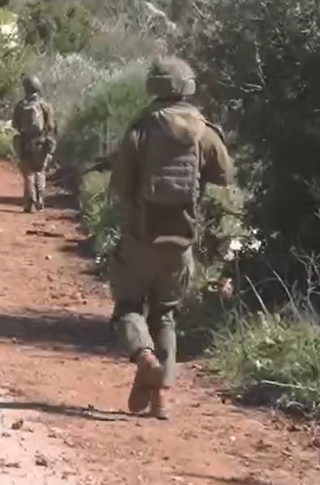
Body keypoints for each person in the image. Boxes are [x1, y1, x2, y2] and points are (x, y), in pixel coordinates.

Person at [106, 56, 234, 420]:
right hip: (181, 241)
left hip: (140, 238)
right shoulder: (204, 131)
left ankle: (145, 358)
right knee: (165, 316)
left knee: (128, 307)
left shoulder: (141, 129)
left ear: (154, 86)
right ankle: (161, 397)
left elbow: (120, 187)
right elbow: (225, 175)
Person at [11, 74, 57, 212]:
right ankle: (40, 198)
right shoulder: (45, 105)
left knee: (28, 172)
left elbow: (15, 125)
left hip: (25, 142)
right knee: (40, 171)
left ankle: (30, 200)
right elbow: (51, 126)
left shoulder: (20, 105)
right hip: (41, 143)